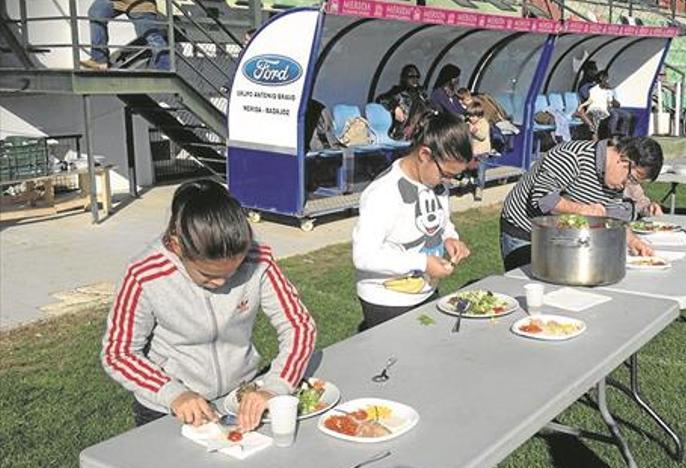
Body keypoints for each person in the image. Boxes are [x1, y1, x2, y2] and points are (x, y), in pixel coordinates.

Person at [101, 179, 316, 432]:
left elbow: (299, 326)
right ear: (177, 245)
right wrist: (173, 394)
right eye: (207, 275)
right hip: (167, 409)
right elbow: (119, 352)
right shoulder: (145, 274)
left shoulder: (258, 260)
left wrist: (275, 387)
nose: (222, 282)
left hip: (238, 399)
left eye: (233, 272)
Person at [353, 111, 473, 331]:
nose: (448, 181)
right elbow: (364, 256)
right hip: (388, 300)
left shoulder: (435, 182)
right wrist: (423, 262)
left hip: (426, 291)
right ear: (425, 154)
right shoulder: (383, 193)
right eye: (446, 174)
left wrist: (450, 237)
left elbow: (442, 220)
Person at [499, 136, 664, 271]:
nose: (626, 186)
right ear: (625, 159)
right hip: (525, 234)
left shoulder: (615, 180)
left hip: (561, 237)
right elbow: (543, 199)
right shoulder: (571, 156)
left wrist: (635, 242)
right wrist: (584, 210)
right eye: (632, 179)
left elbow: (613, 219)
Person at [81, 0, 169, 70]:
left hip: (140, 5)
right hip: (116, 2)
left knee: (150, 34)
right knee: (96, 12)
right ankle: (99, 60)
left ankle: (165, 66)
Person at [376, 64, 429, 140]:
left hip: (417, 131)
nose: (415, 79)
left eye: (417, 76)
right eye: (411, 77)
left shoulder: (421, 93)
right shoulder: (398, 91)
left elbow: (428, 107)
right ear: (404, 78)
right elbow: (381, 99)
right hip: (401, 132)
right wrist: (395, 107)